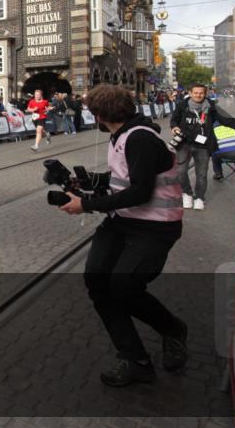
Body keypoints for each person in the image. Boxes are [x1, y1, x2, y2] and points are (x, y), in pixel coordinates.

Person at [58, 84, 187, 387]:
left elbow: (140, 191)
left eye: (94, 113)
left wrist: (86, 205)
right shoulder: (120, 135)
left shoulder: (140, 138)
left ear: (101, 114)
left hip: (154, 226)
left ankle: (172, 329)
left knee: (125, 286)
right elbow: (123, 177)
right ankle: (134, 358)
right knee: (98, 281)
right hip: (123, 222)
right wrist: (90, 181)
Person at [169, 83, 235, 210]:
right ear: (190, 93)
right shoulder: (182, 105)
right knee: (180, 171)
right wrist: (174, 127)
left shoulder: (212, 107)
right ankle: (187, 193)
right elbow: (174, 120)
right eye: (196, 93)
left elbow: (227, 120)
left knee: (201, 174)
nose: (198, 95)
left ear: (205, 94)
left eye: (201, 93)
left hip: (204, 145)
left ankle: (199, 197)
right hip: (184, 143)